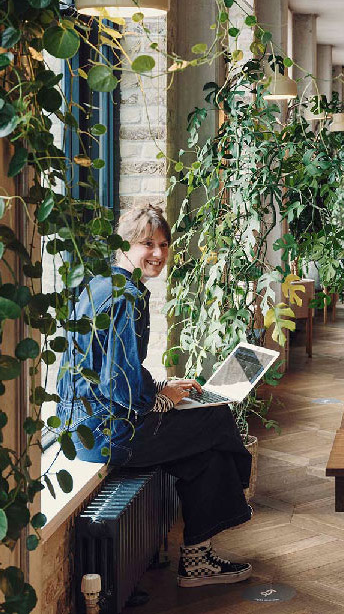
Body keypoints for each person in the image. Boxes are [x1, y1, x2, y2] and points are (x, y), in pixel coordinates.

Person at [56, 204, 254, 588]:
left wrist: (163, 389)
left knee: (205, 449)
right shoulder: (126, 298)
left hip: (80, 427)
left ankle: (197, 562)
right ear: (124, 244)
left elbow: (116, 371)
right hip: (109, 434)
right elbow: (121, 388)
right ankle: (216, 531)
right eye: (147, 243)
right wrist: (161, 397)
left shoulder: (100, 283)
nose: (159, 254)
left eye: (163, 244)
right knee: (215, 419)